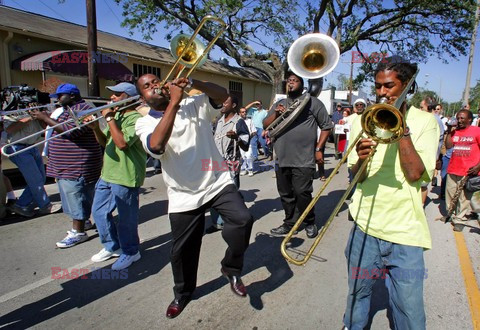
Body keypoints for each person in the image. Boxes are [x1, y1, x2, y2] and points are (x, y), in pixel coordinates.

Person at [134, 74, 253, 319]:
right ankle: (183, 293)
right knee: (182, 251)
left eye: (156, 80)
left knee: (243, 219)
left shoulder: (194, 103)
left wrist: (193, 83)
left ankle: (230, 268)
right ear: (142, 97)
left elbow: (223, 95)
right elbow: (156, 146)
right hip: (183, 193)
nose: (154, 85)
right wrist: (175, 104)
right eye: (147, 86)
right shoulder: (144, 123)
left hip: (216, 181)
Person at [344, 56, 439, 330]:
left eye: (389, 86)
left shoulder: (425, 122)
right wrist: (360, 159)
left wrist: (400, 128)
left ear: (407, 86)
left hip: (405, 232)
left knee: (408, 309)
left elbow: (415, 175)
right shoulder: (361, 120)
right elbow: (356, 179)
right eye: (378, 87)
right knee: (357, 295)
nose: (382, 93)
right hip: (365, 226)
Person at [31, 83, 103, 248]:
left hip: (77, 164)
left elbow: (70, 131)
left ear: (71, 95)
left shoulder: (84, 110)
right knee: (75, 197)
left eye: (59, 96)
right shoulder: (66, 110)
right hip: (65, 164)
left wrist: (45, 117)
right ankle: (83, 222)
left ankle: (78, 232)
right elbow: (53, 128)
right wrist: (39, 117)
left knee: (76, 197)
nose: (56, 99)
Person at [264, 71, 332, 238]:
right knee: (286, 194)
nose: (290, 83)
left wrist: (318, 149)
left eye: (294, 80)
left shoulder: (313, 103)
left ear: (302, 84)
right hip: (282, 157)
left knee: (302, 193)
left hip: (304, 159)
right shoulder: (280, 103)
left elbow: (326, 126)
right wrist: (277, 114)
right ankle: (289, 222)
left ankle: (309, 222)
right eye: (289, 81)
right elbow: (266, 124)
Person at [87, 82, 146, 270]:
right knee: (98, 212)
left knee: (126, 219)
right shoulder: (117, 115)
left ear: (128, 98)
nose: (111, 98)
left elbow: (121, 144)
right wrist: (96, 127)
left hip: (126, 175)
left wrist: (110, 118)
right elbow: (106, 142)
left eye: (117, 94)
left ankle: (131, 251)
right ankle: (112, 247)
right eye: (112, 94)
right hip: (108, 173)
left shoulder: (136, 119)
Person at [3, 103, 60, 217]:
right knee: (35, 179)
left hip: (31, 146)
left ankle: (20, 205)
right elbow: (9, 129)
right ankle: (45, 206)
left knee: (41, 178)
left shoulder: (39, 111)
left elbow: (45, 127)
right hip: (17, 147)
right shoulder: (12, 112)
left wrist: (43, 116)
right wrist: (29, 117)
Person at [208, 95, 249, 232]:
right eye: (222, 101)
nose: (222, 104)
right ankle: (217, 223)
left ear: (234, 105)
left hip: (232, 163)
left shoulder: (238, 122)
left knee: (230, 193)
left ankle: (232, 222)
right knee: (214, 192)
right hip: (216, 163)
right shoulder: (218, 121)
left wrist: (236, 137)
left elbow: (246, 145)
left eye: (226, 102)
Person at [444, 109, 480, 220]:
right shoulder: (455, 132)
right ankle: (450, 213)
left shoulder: (477, 131)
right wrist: (449, 131)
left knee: (464, 197)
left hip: (468, 170)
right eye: (458, 118)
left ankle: (459, 218)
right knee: (450, 193)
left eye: (462, 118)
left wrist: (478, 166)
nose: (459, 121)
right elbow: (449, 146)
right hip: (453, 168)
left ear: (469, 119)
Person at [239, 106, 257, 176]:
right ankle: (244, 169)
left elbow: (254, 131)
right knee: (243, 156)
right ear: (239, 113)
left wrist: (250, 136)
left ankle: (250, 169)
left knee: (249, 155)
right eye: (242, 112)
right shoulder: (238, 121)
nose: (244, 113)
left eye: (245, 112)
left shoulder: (250, 121)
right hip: (240, 141)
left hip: (249, 141)